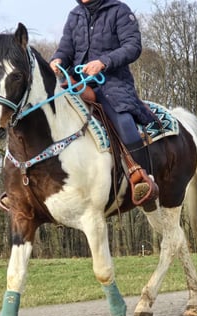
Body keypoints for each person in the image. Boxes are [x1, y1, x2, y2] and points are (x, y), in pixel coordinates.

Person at [49, 0, 159, 211]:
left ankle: (142, 178)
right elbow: (65, 49)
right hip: (75, 83)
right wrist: (57, 60)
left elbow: (133, 46)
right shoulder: (75, 15)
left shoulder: (119, 11)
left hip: (112, 84)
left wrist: (104, 62)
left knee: (124, 123)